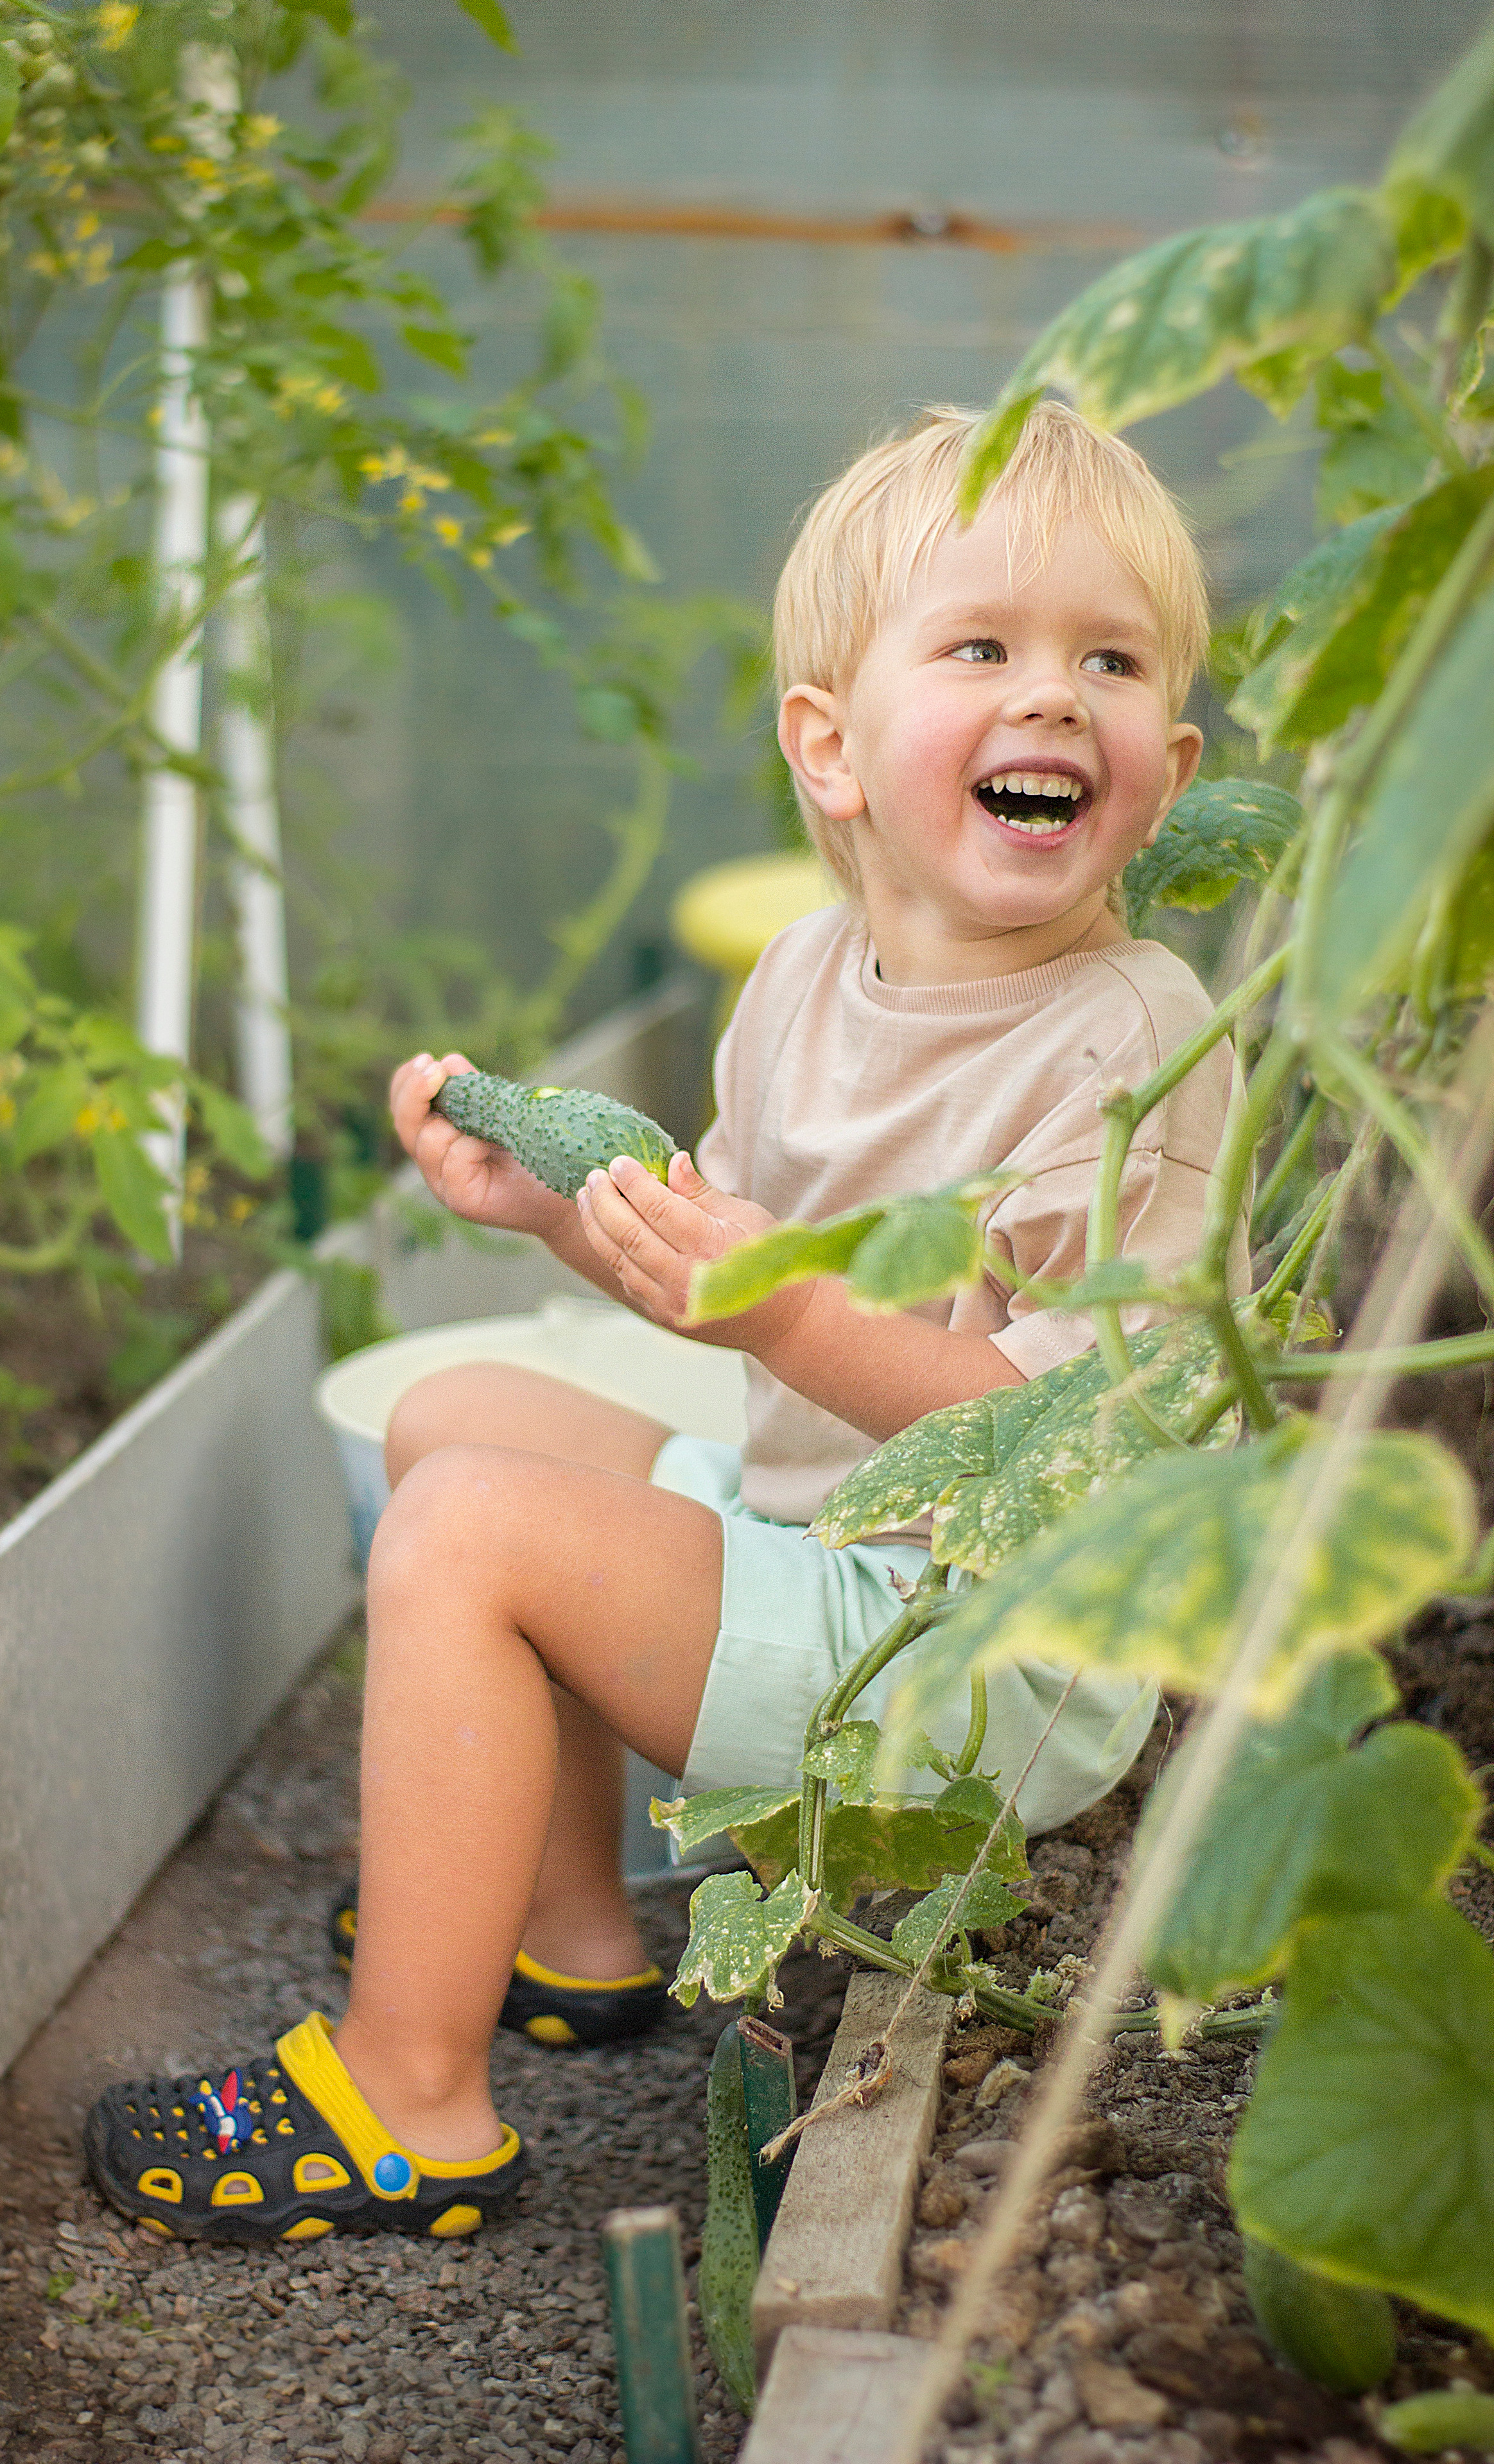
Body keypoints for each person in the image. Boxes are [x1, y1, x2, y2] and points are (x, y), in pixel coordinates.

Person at [85, 401, 1237, 2246]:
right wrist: (558, 1210)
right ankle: (571, 1933)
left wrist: (772, 1309)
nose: (1052, 697)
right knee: (457, 1424)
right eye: (983, 648)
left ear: (1165, 768)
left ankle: (407, 2102)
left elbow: (1061, 1440)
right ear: (830, 748)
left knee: (470, 1537)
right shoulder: (802, 977)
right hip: (830, 1539)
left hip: (975, 1657)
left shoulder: (1138, 1046)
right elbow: (721, 1275)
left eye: (1109, 661)